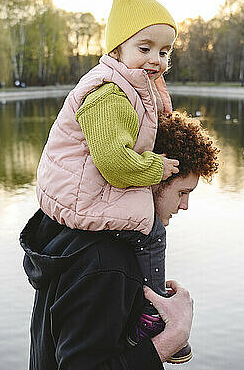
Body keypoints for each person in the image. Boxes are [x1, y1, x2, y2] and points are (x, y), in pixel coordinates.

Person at [34, 0, 191, 362]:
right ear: (117, 48)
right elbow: (116, 163)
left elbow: (146, 123)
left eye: (165, 51)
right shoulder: (104, 265)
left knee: (147, 235)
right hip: (83, 191)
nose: (156, 59)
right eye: (145, 48)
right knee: (151, 235)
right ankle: (153, 316)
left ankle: (147, 311)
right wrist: (170, 340)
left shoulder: (133, 86)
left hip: (81, 192)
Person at [21, 111, 220, 369]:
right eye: (182, 192)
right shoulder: (108, 263)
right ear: (149, 179)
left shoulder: (74, 232)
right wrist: (174, 336)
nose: (185, 206)